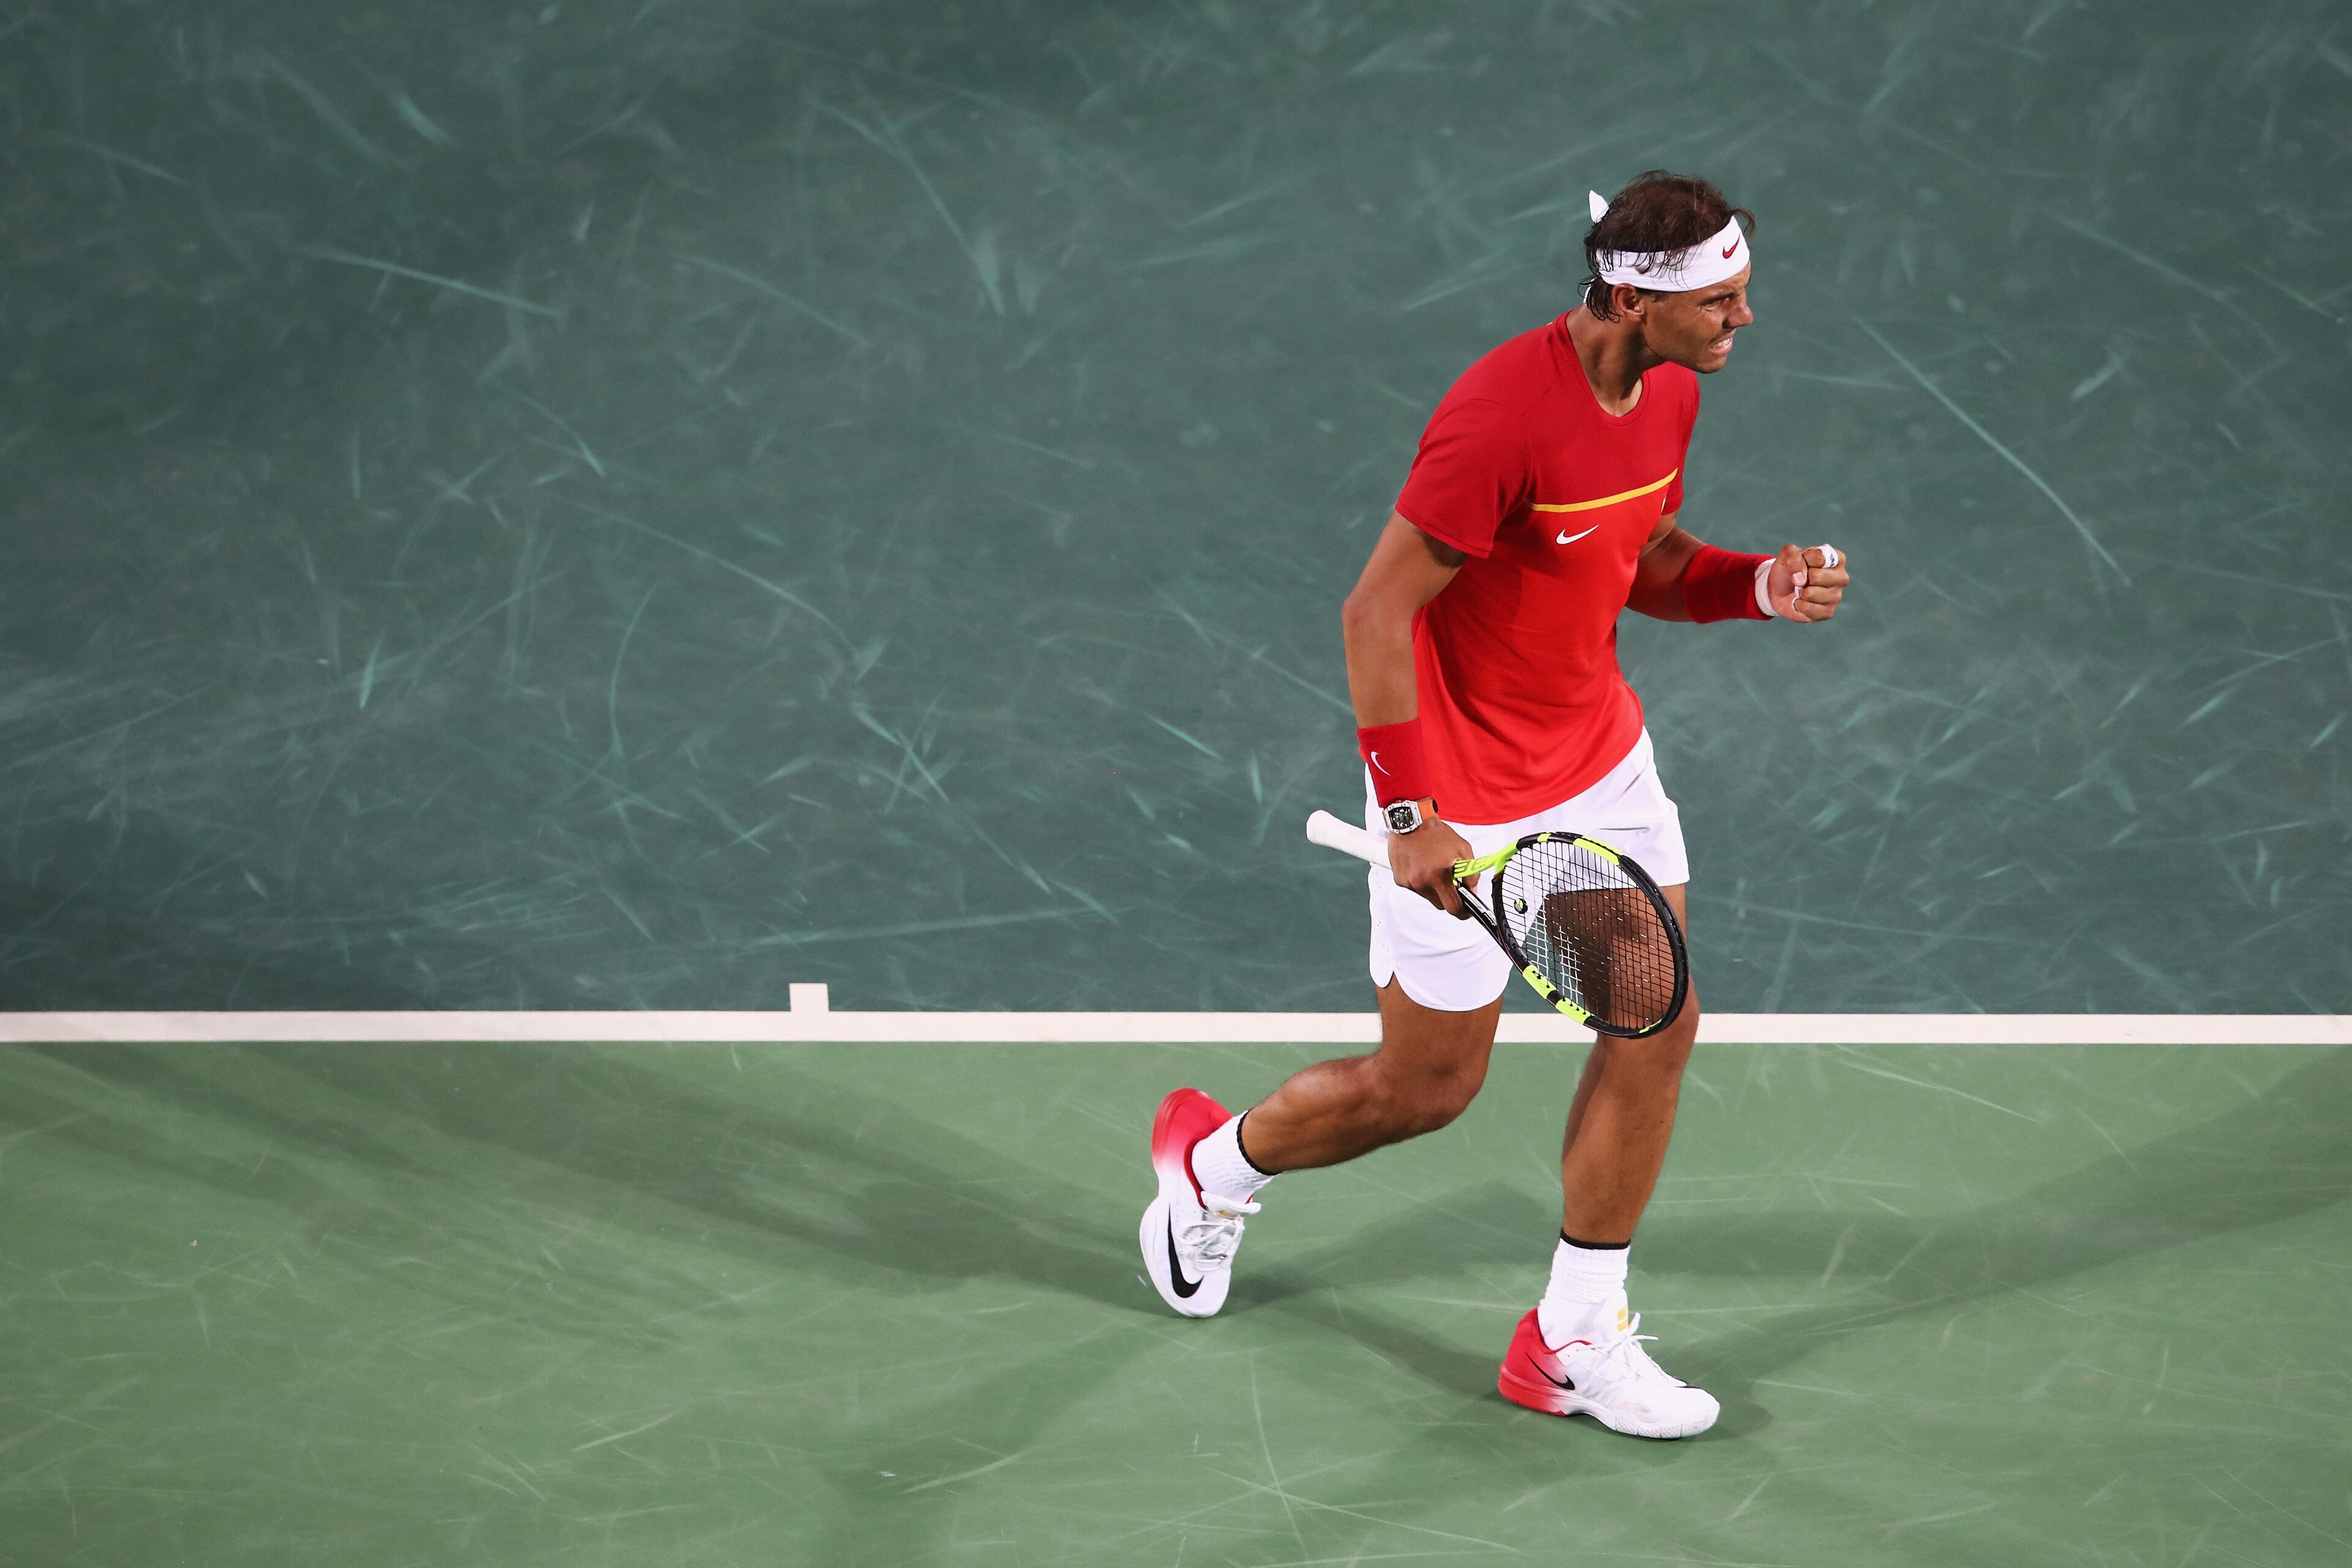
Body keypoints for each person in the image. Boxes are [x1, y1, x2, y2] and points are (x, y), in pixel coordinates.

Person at [1139, 171, 1852, 1439]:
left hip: (1601, 765)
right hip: (1462, 799)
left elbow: (1643, 558)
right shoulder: (1499, 417)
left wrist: (1755, 586)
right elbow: (1376, 611)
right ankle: (1215, 1164)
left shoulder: (1671, 391)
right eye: (1722, 302)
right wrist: (1410, 813)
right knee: (1423, 1090)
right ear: (1632, 299)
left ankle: (1572, 1335)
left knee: (1655, 1023)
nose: (1745, 318)